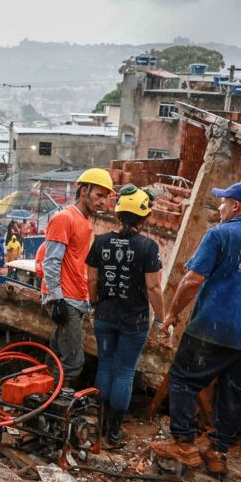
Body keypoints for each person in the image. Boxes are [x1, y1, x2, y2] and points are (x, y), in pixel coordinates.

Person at [151, 182, 241, 474]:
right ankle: (218, 453)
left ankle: (184, 444)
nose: (220, 207)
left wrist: (173, 313)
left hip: (211, 329)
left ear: (236, 205)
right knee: (232, 394)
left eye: (223, 202)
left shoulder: (220, 234)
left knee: (183, 380)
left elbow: (192, 280)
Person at [85, 186, 164, 448]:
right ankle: (114, 434)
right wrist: (162, 318)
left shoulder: (101, 241)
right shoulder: (148, 247)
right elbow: (153, 288)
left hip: (105, 316)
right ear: (144, 217)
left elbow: (92, 279)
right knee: (124, 372)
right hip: (134, 321)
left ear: (119, 213)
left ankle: (99, 426)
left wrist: (95, 303)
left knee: (105, 366)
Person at [40, 168, 115, 387]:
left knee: (55, 357)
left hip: (75, 300)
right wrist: (56, 299)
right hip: (65, 299)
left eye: (106, 197)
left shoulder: (84, 221)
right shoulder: (64, 218)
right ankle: (52, 409)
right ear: (84, 191)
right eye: (99, 196)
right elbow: (51, 261)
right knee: (73, 363)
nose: (102, 202)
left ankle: (40, 402)